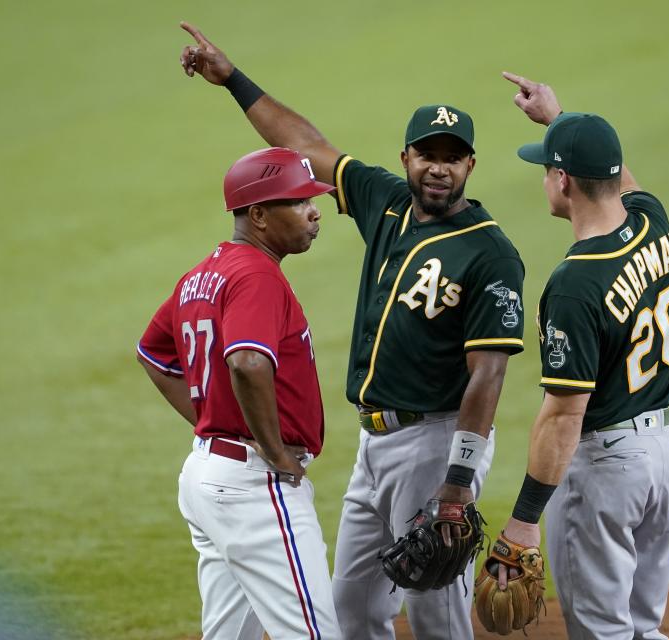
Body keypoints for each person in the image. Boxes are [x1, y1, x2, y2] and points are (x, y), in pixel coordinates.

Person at [177, 22, 526, 640]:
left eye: (451, 158)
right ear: (406, 159)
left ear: (471, 164)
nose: (438, 169)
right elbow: (306, 145)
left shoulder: (490, 254)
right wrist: (232, 79)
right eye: (427, 155)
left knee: (436, 616)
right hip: (374, 447)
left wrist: (458, 481)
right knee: (354, 613)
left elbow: (490, 374)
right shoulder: (386, 203)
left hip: (434, 445)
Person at [486, 72, 669, 639]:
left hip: (608, 471)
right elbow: (618, 181)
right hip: (666, 457)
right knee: (642, 629)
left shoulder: (575, 284)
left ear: (562, 180)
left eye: (546, 167)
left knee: (602, 633)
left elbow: (563, 414)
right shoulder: (654, 224)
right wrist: (560, 122)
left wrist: (524, 520)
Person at [136, 147, 342, 640]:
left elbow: (154, 355)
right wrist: (274, 451)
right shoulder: (256, 276)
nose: (315, 212)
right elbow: (247, 362)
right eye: (298, 202)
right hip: (253, 485)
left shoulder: (202, 275)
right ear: (259, 215)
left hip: (208, 475)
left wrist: (214, 419)